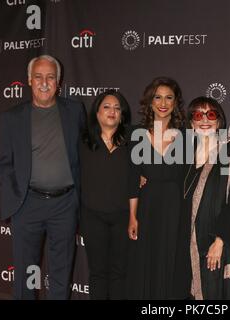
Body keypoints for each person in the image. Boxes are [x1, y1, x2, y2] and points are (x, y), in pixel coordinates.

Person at [0, 54, 86, 299]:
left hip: (65, 205)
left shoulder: (74, 111)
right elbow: (5, 163)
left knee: (61, 272)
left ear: (59, 82)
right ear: (29, 80)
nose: (44, 82)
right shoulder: (12, 117)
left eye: (50, 77)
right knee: (26, 274)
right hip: (27, 204)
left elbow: (89, 151)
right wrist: (15, 199)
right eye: (38, 77)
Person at [126, 76, 188, 299]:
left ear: (175, 102)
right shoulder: (136, 134)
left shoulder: (186, 136)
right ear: (150, 102)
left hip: (176, 208)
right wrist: (133, 216)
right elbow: (132, 178)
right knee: (145, 260)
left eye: (168, 98)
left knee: (171, 259)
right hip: (147, 206)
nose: (163, 103)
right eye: (158, 97)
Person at [79, 90, 137, 299]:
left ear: (122, 114)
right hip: (92, 216)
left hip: (123, 217)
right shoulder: (83, 141)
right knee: (98, 272)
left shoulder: (133, 141)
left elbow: (142, 173)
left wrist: (144, 177)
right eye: (106, 106)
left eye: (117, 108)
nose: (112, 111)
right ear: (96, 112)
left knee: (119, 273)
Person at [183, 96, 230, 300]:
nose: (205, 120)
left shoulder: (229, 150)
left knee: (214, 293)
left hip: (215, 239)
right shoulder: (183, 153)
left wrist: (220, 241)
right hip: (187, 240)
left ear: (219, 121)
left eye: (211, 114)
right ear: (191, 122)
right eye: (198, 115)